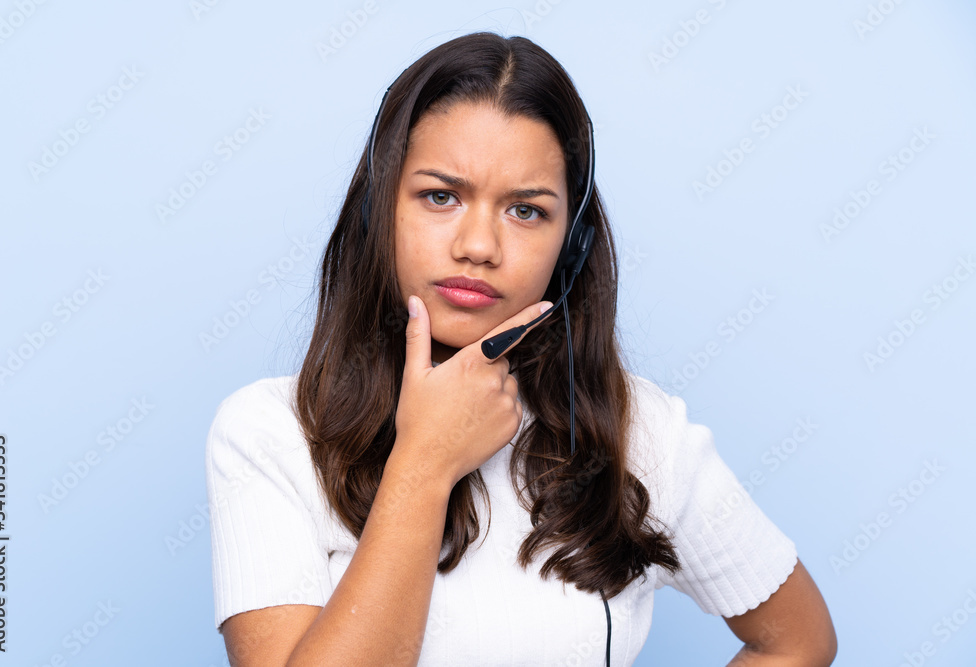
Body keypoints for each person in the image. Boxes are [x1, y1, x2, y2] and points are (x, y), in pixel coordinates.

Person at [205, 31, 837, 666]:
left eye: (526, 211)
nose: (479, 245)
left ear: (574, 242)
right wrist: (424, 463)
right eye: (440, 196)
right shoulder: (270, 434)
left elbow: (798, 641)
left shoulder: (640, 432)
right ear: (379, 210)